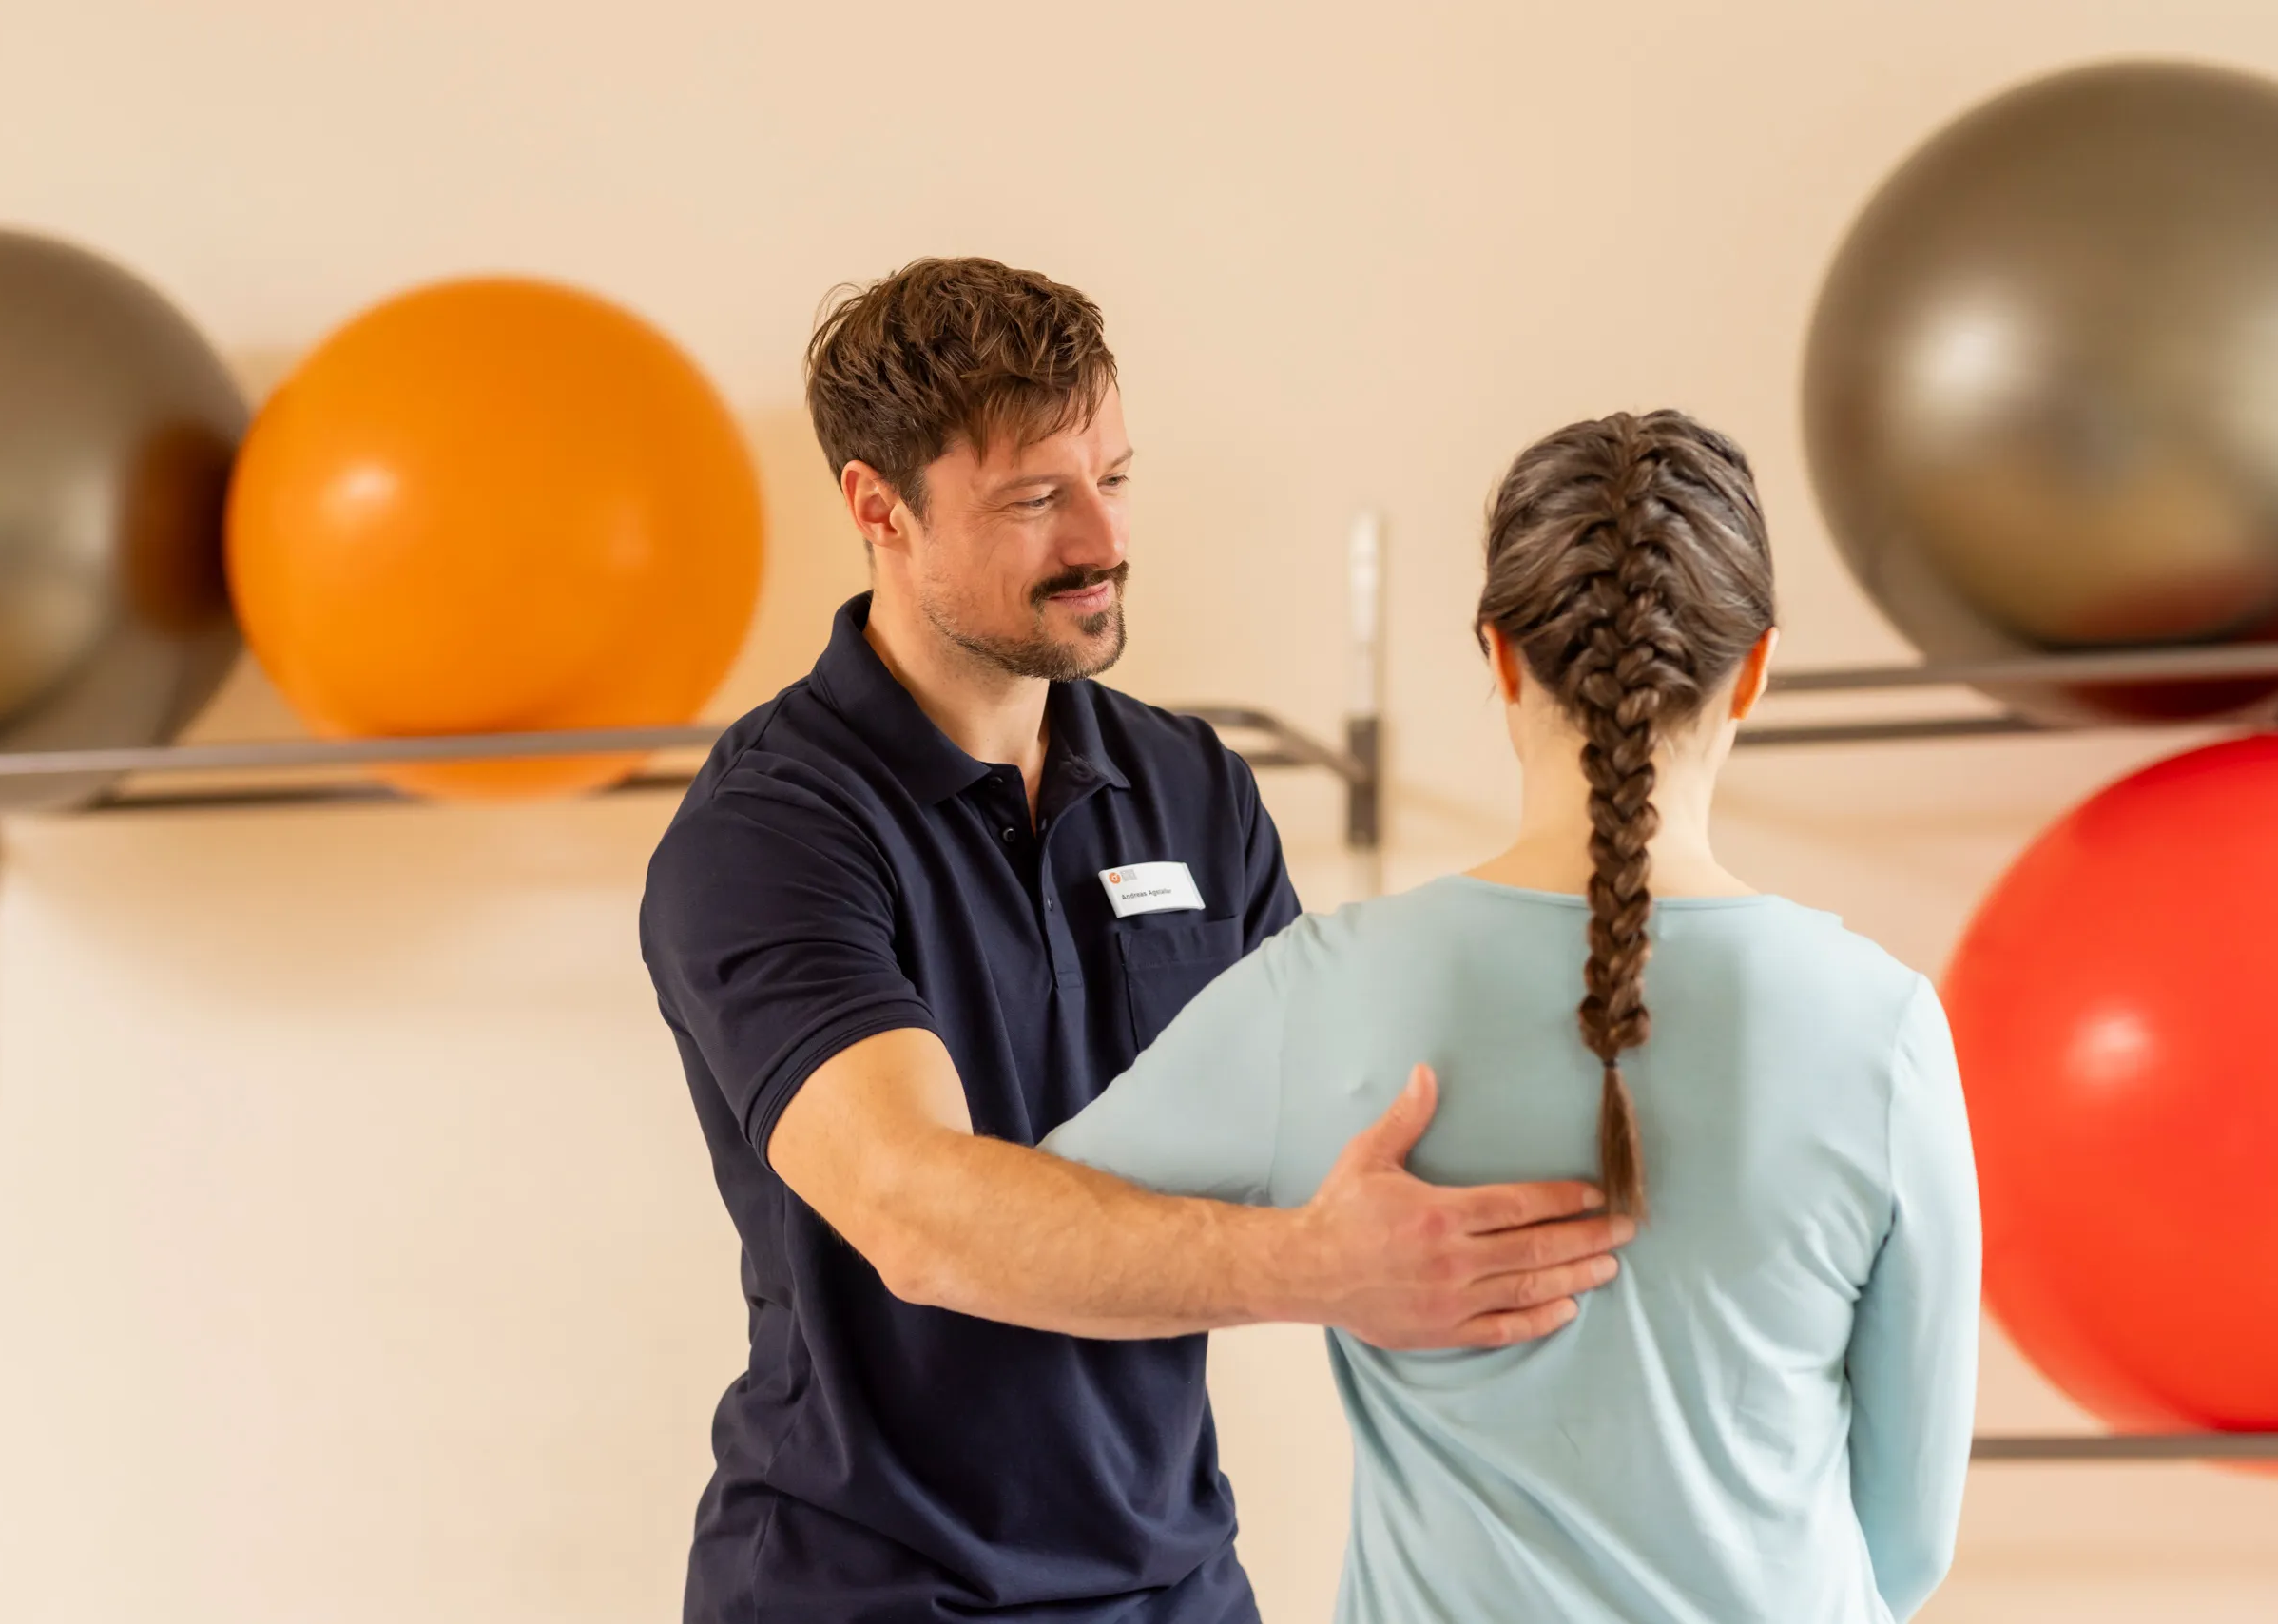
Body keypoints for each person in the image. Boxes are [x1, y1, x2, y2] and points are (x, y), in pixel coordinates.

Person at [638, 258, 1634, 1623]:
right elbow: (916, 1211)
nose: (1101, 537)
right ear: (878, 508)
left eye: (1114, 476)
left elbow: (1328, 1126)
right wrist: (1325, 1271)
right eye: (1036, 497)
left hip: (1173, 1584)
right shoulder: (772, 831)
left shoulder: (1190, 788)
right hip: (865, 1590)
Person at [1045, 410, 1984, 1623]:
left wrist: (1287, 1268)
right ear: (1754, 668)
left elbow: (1030, 1240)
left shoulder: (1329, 985)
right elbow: (1908, 1538)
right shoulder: (1883, 1028)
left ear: (1496, 656)